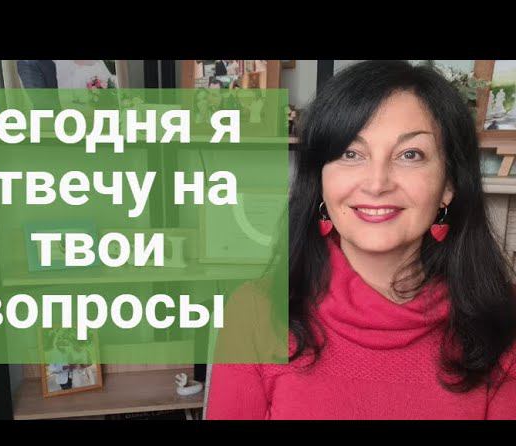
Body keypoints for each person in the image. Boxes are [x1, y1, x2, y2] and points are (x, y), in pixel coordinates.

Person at [206, 60, 516, 420]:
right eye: (350, 153)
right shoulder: (254, 312)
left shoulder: (503, 322)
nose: (376, 183)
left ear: (448, 185)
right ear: (320, 180)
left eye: (410, 155)